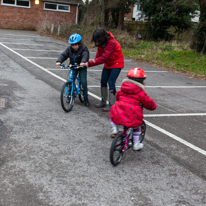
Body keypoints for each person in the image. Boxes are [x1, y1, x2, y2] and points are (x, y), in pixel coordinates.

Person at [110, 67, 157, 150]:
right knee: (136, 127)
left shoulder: (123, 88)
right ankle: (136, 144)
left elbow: (117, 96)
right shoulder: (140, 93)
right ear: (142, 81)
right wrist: (153, 106)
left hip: (119, 112)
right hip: (132, 115)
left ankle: (114, 128)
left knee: (113, 114)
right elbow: (149, 103)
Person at [80, 28, 124, 112]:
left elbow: (104, 57)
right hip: (108, 63)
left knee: (111, 82)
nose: (96, 42)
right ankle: (103, 101)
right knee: (103, 81)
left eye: (97, 40)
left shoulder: (111, 43)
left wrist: (89, 63)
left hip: (117, 63)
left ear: (102, 38)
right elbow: (99, 55)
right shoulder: (101, 42)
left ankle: (111, 104)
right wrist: (93, 62)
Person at [56, 33, 90, 106]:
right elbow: (64, 55)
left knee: (83, 81)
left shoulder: (84, 48)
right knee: (71, 80)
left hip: (81, 67)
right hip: (73, 66)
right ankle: (69, 95)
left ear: (80, 44)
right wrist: (59, 61)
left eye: (75, 45)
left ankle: (86, 98)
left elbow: (85, 55)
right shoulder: (69, 49)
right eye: (72, 45)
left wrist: (83, 62)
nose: (73, 47)